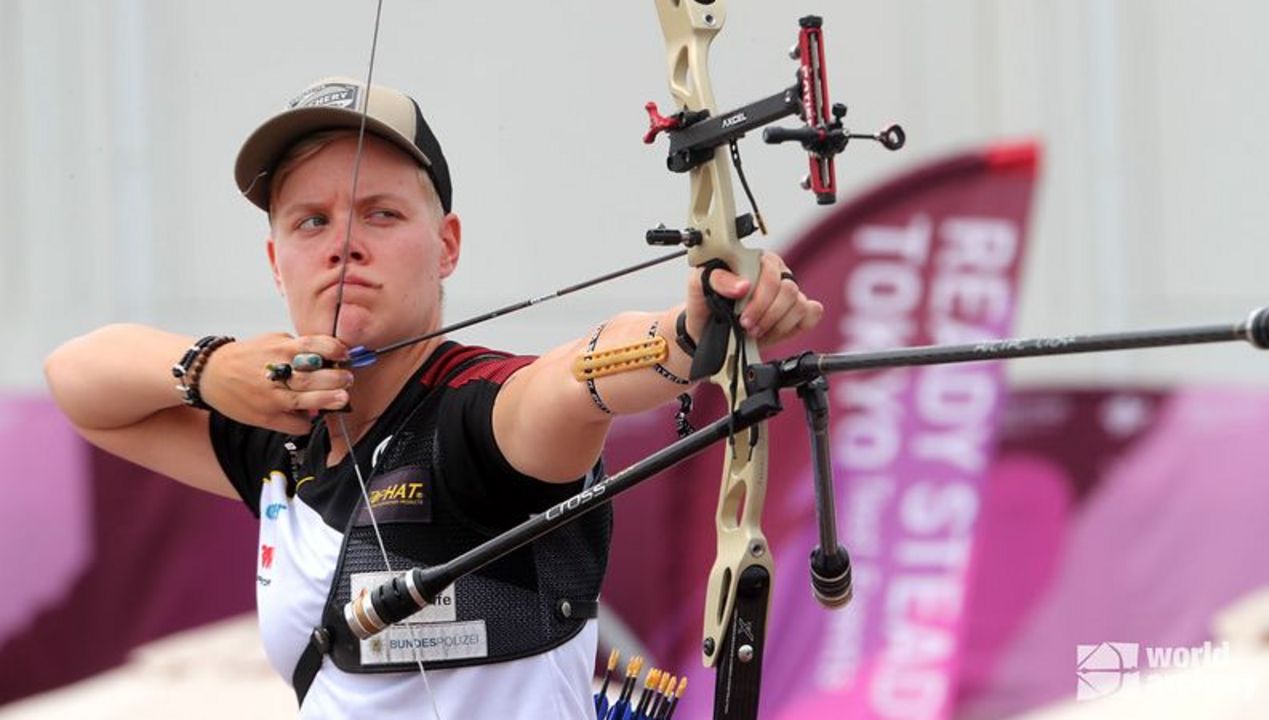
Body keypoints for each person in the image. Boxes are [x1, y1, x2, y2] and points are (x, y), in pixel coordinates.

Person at [43, 76, 823, 719]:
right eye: (310, 221)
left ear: (446, 244)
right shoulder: (281, 437)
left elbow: (571, 380)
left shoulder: (476, 419)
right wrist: (210, 370)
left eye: (380, 213)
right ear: (277, 261)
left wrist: (687, 333)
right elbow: (80, 379)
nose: (343, 243)